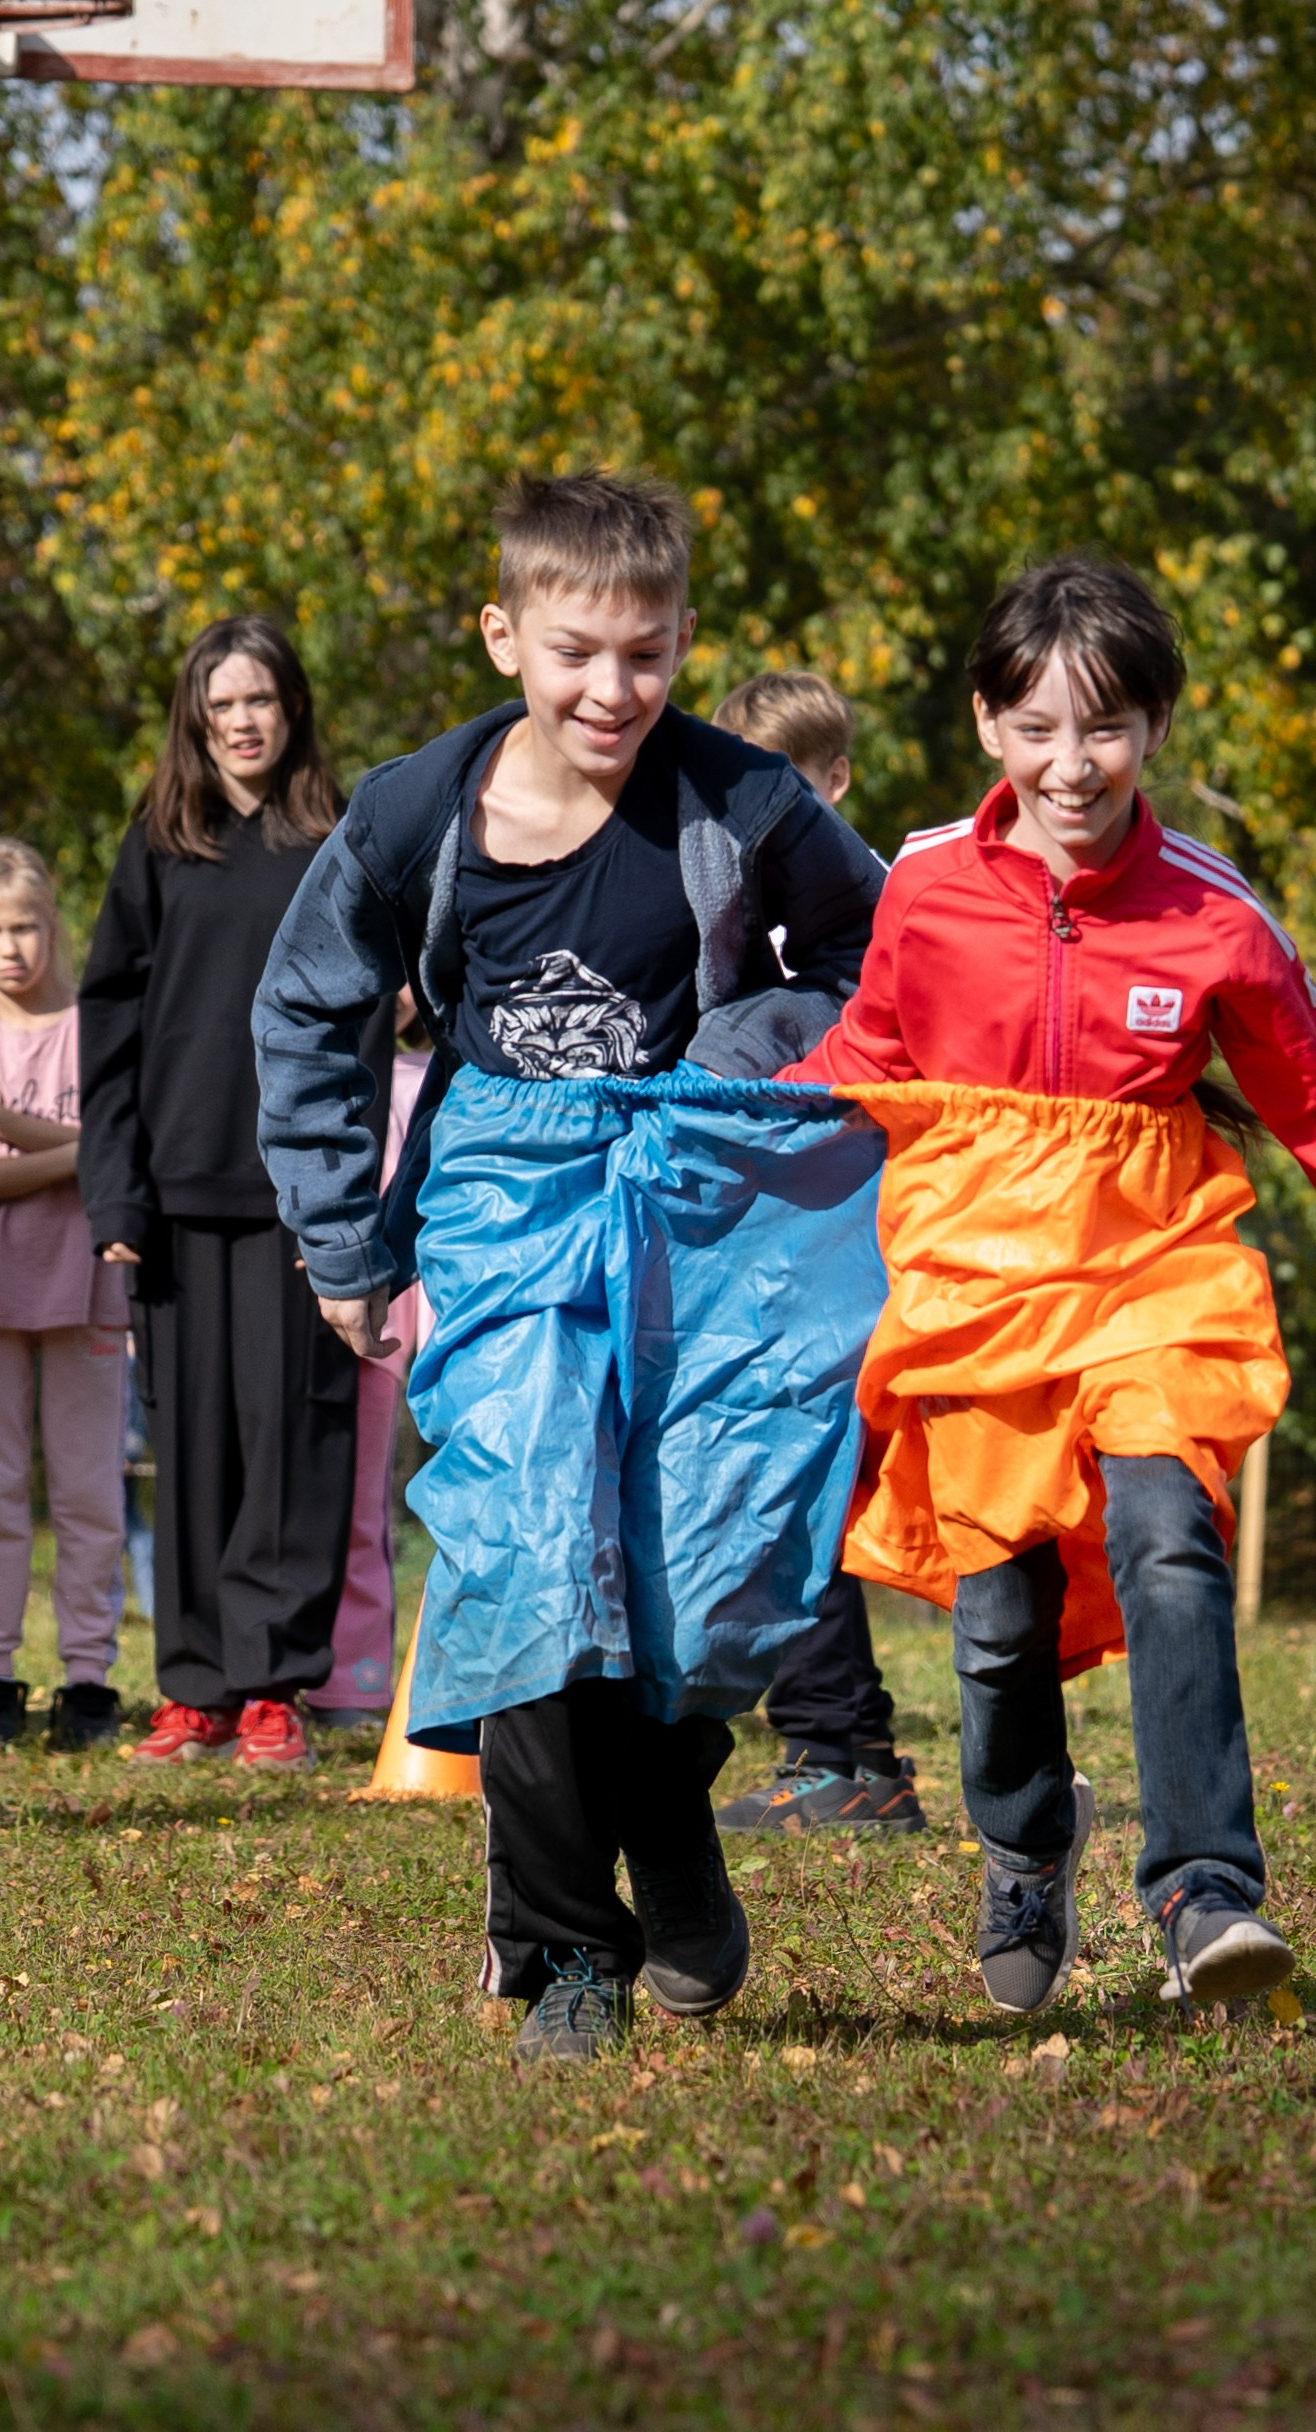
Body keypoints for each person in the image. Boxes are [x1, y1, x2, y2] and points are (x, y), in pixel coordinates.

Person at [783, 555, 1316, 2013]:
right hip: (974, 1276)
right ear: (987, 723)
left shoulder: (1212, 912)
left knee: (1172, 1535)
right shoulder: (921, 886)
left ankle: (1201, 1891)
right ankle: (1025, 1846)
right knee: (995, 1621)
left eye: (1103, 729)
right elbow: (858, 1061)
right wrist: (704, 1144)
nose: (1071, 765)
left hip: (1149, 1264)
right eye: (1038, 728)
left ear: (1153, 730)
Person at [254, 471, 888, 2065]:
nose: (613, 690)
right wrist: (342, 1233)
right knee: (532, 1557)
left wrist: (758, 1046)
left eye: (648, 655)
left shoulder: (745, 801)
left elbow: (883, 962)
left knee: (699, 1573)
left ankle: (670, 1835)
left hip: (697, 1208)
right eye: (577, 651)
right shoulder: (413, 810)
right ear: (505, 634)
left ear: (682, 645)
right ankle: (563, 1947)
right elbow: (308, 1011)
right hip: (496, 1196)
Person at [79, 615, 375, 1773]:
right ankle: (193, 1688)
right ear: (196, 725)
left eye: (260, 700)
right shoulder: (159, 846)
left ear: (292, 709)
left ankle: (271, 1689)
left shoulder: (338, 840)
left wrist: (349, 1194)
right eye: (221, 707)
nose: (243, 723)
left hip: (302, 1194)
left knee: (292, 1440)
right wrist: (116, 1199)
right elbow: (108, 1029)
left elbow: (380, 1004)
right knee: (192, 1446)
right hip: (175, 1192)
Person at [706, 672, 924, 1839]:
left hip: (838, 1247)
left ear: (836, 782)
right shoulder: (730, 917)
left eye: (790, 788)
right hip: (758, 1246)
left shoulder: (878, 909)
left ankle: (841, 1751)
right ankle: (841, 1745)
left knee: (810, 1482)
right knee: (779, 1485)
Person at [0, 838, 130, 1754]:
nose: (12, 947)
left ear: (53, 926)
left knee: (92, 1491)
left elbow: (117, 1159)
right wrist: (77, 1151)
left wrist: (16, 1126)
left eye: (26, 926)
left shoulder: (99, 1028)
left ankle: (89, 1677)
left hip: (91, 1288)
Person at [301, 989, 433, 1729]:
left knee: (366, 1495)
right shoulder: (316, 1074)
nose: (397, 997)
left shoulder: (427, 1079)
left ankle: (355, 1677)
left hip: (394, 1311)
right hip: (311, 1295)